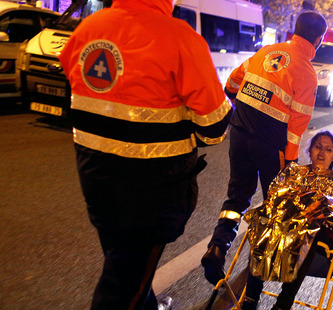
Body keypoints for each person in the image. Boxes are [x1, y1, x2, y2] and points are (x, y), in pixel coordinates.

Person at [58, 0, 232, 309]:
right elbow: (215, 126)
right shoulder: (181, 38)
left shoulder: (89, 28)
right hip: (152, 194)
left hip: (95, 177)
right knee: (120, 291)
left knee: (125, 269)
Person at [201, 12, 328, 285]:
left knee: (236, 197)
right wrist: (290, 163)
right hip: (272, 146)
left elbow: (232, 82)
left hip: (240, 131)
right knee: (275, 208)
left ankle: (217, 247)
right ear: (319, 39)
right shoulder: (307, 73)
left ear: (295, 29)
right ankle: (256, 274)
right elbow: (296, 127)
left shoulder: (266, 52)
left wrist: (243, 107)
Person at [239, 130, 333, 310]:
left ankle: (283, 304)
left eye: (328, 149)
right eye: (318, 147)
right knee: (264, 224)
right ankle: (251, 296)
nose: (321, 153)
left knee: (309, 231)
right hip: (286, 226)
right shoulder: (295, 172)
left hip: (322, 232)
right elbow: (276, 197)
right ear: (310, 150)